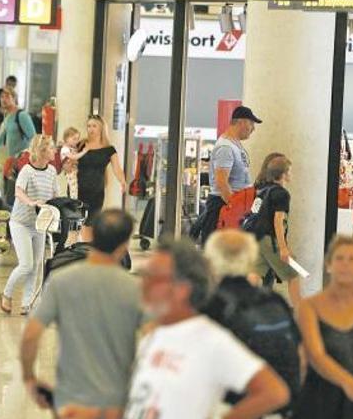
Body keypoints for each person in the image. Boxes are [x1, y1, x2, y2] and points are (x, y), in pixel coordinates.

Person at [125, 237, 290, 419]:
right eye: (144, 275)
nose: (143, 284)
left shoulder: (209, 340)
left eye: (153, 277)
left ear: (182, 288)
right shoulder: (153, 335)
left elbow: (274, 392)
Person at [21, 210, 143, 419]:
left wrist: (29, 377)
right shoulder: (135, 289)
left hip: (71, 400)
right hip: (116, 401)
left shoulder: (62, 280)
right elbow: (154, 339)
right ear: (124, 245)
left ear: (93, 236)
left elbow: (31, 334)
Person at [202, 229, 302, 418]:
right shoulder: (274, 301)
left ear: (210, 261)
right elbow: (299, 353)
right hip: (284, 407)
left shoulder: (210, 306)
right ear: (250, 260)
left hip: (237, 407)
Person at [294, 236, 353, 419]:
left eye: (352, 260)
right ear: (329, 265)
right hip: (326, 396)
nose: (345, 265)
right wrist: (349, 382)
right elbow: (314, 356)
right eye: (339, 259)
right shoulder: (310, 307)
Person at [1, 135, 59, 316]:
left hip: (39, 225)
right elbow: (18, 192)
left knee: (36, 265)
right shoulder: (27, 170)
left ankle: (27, 303)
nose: (54, 151)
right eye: (51, 148)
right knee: (26, 265)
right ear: (42, 151)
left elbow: (55, 195)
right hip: (20, 223)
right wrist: (32, 202)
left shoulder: (52, 172)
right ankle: (6, 294)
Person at [245, 154, 301, 307]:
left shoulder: (261, 190)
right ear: (283, 174)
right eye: (289, 171)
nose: (291, 174)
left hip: (256, 237)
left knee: (255, 274)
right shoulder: (282, 194)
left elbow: (253, 212)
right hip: (270, 240)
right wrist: (283, 248)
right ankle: (300, 311)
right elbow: (278, 221)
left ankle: (244, 307)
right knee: (293, 274)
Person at [199, 105, 261, 242]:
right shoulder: (225, 147)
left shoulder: (235, 144)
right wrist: (234, 210)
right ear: (241, 122)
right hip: (222, 206)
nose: (253, 128)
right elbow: (222, 183)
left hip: (233, 205)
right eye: (251, 124)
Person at [72, 115, 127, 237]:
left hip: (96, 192)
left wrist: (123, 182)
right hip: (78, 190)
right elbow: (69, 160)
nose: (91, 129)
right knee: (79, 223)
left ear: (101, 128)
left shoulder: (109, 149)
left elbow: (117, 169)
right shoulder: (81, 145)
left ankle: (88, 250)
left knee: (91, 223)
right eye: (89, 126)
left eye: (94, 126)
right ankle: (83, 251)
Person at [0, 86, 36, 205]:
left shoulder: (22, 115)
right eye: (2, 97)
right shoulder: (7, 117)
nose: (4, 99)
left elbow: (33, 137)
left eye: (7, 96)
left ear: (14, 98)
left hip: (22, 163)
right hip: (10, 163)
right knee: (8, 197)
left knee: (16, 198)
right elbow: (0, 141)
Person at [59, 127, 81, 199]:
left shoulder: (71, 148)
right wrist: (83, 153)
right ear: (66, 139)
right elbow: (72, 157)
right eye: (74, 139)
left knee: (75, 185)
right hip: (70, 171)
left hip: (74, 169)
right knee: (73, 186)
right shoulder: (65, 149)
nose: (76, 141)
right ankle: (74, 200)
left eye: (77, 139)